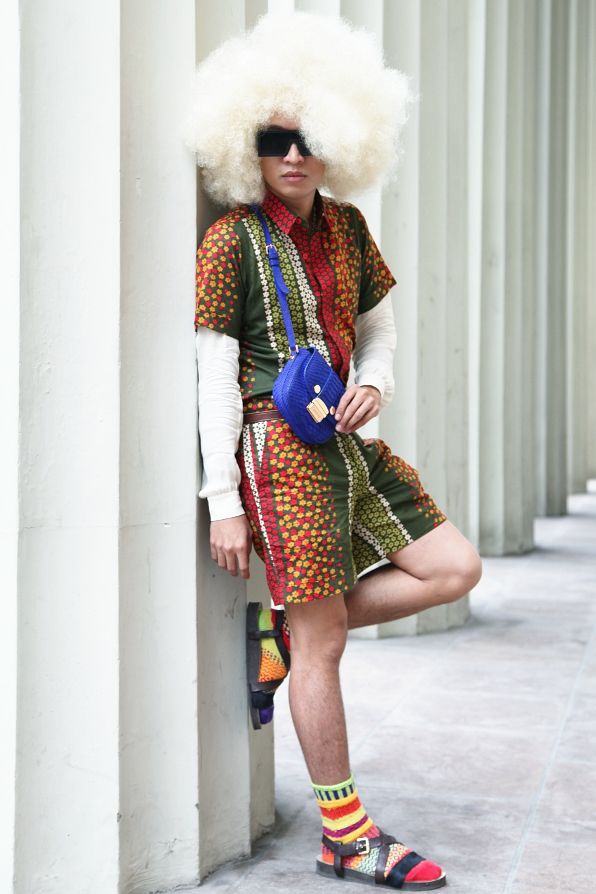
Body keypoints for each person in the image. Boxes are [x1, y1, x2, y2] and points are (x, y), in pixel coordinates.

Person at [183, 12, 482, 890]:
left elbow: (379, 327)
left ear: (338, 141)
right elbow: (213, 374)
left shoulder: (348, 229)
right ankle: (346, 835)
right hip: (279, 458)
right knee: (325, 651)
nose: (293, 154)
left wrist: (377, 385)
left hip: (352, 445)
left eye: (308, 138)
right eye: (275, 139)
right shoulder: (229, 241)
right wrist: (224, 500)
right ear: (251, 147)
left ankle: (283, 632)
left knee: (454, 566)